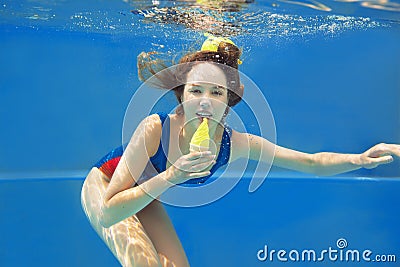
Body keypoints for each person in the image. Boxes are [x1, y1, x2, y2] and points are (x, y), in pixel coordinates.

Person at [81, 35, 400, 267]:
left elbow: (312, 163)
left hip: (144, 193)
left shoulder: (236, 145)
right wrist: (171, 176)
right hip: (106, 186)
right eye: (196, 91)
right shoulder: (155, 128)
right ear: (182, 94)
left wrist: (359, 159)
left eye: (216, 92)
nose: (205, 102)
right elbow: (110, 212)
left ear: (230, 98)